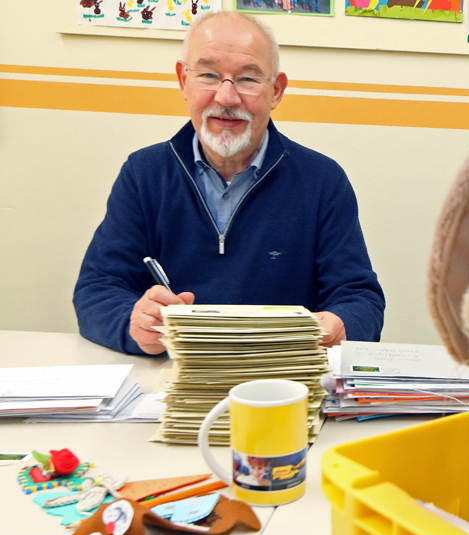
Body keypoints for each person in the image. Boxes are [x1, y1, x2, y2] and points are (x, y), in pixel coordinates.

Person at [73, 11, 385, 356]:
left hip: (283, 381)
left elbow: (361, 299)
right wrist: (132, 324)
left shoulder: (323, 181)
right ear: (182, 81)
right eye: (208, 75)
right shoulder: (144, 173)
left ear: (276, 91)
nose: (226, 97)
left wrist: (342, 325)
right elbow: (97, 289)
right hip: (173, 383)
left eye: (248, 79)